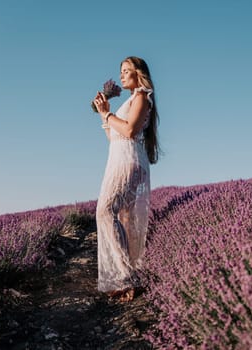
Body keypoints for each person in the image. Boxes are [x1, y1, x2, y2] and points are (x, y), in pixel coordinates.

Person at [92, 57, 160, 302]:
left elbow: (130, 130)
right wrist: (104, 114)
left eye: (126, 71)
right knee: (124, 217)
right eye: (120, 71)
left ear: (138, 73)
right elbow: (116, 138)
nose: (121, 76)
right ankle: (128, 278)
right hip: (123, 159)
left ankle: (128, 276)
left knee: (104, 211)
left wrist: (109, 115)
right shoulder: (132, 99)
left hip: (127, 162)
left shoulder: (142, 95)